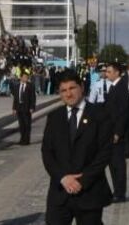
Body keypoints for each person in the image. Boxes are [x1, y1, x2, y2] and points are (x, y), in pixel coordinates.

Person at [41, 71, 113, 224]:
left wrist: (83, 180)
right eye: (63, 90)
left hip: (90, 192)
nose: (68, 94)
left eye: (72, 88)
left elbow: (104, 153)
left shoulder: (100, 114)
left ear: (81, 87)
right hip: (60, 192)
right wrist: (63, 178)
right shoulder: (54, 117)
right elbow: (47, 152)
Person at [102, 62, 129, 203]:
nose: (106, 74)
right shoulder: (114, 87)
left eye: (109, 71)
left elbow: (123, 112)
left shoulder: (121, 87)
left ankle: (120, 193)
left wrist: (118, 132)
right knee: (112, 164)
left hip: (116, 133)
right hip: (110, 131)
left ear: (117, 72)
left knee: (118, 164)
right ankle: (116, 191)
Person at [12, 72, 36, 145]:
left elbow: (33, 97)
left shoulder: (30, 86)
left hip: (27, 107)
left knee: (27, 124)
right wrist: (14, 108)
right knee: (21, 125)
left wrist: (32, 107)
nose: (26, 78)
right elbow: (15, 98)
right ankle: (22, 139)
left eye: (27, 77)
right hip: (19, 107)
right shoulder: (17, 86)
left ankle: (26, 140)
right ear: (21, 77)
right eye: (24, 77)